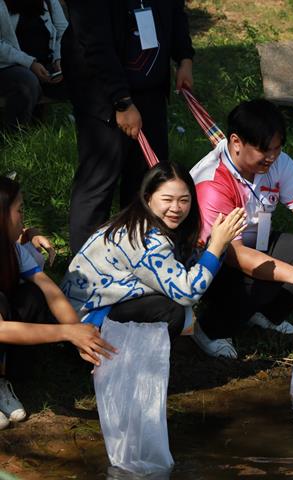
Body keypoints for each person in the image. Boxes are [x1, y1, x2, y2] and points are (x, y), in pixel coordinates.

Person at [190, 99, 293, 359]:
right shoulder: (212, 181)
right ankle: (210, 328)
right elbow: (233, 254)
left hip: (252, 245)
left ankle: (264, 315)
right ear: (236, 142)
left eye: (277, 149)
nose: (272, 157)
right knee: (256, 279)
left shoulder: (277, 162)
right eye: (264, 150)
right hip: (210, 260)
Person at [61, 0, 195, 254]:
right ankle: (84, 270)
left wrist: (184, 57)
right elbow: (94, 41)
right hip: (105, 98)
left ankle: (139, 257)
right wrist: (121, 101)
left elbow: (175, 11)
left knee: (147, 180)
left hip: (150, 92)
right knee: (99, 182)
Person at [61, 162, 246, 341]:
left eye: (184, 200)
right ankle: (123, 362)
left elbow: (185, 267)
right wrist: (216, 247)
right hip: (84, 327)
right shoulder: (146, 239)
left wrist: (214, 247)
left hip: (97, 308)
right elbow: (188, 292)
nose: (176, 208)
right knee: (171, 311)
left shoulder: (140, 220)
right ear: (148, 197)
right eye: (167, 199)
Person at [0, 176, 116, 430]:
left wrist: (80, 335)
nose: (23, 219)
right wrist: (66, 332)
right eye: (19, 211)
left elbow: (48, 288)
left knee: (33, 294)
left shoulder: (12, 250)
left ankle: (7, 377)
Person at [0, 0, 67, 130]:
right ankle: (15, 138)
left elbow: (63, 31)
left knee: (79, 74)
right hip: (7, 67)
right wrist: (30, 63)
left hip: (46, 66)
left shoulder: (50, 2)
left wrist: (59, 59)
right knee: (27, 83)